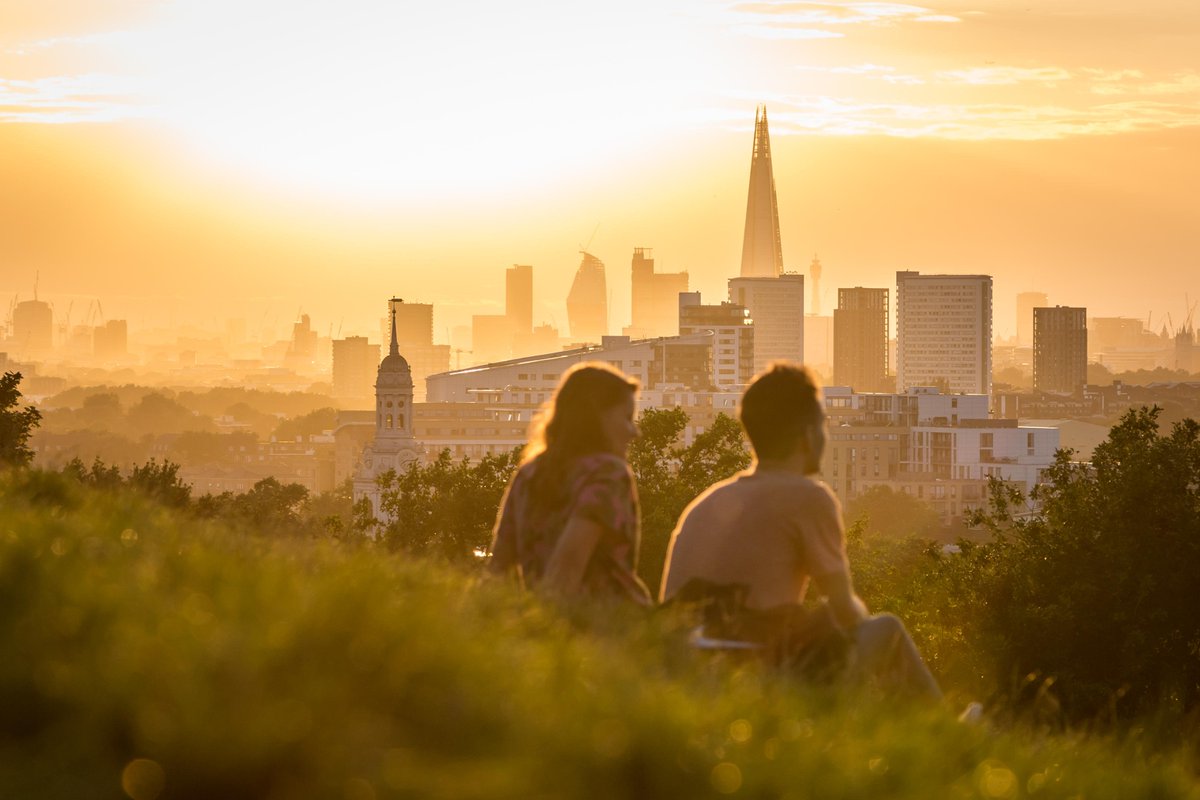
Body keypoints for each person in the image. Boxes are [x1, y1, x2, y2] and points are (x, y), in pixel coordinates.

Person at [660, 362, 942, 700]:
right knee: (887, 631)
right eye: (824, 423)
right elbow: (844, 611)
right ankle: (952, 740)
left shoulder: (704, 504)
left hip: (691, 676)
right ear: (808, 436)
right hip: (763, 676)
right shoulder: (808, 497)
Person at [489, 362, 652, 605]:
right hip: (608, 629)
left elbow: (497, 570)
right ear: (598, 417)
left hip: (542, 629)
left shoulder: (529, 473)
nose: (634, 432)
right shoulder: (607, 474)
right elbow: (567, 568)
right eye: (627, 418)